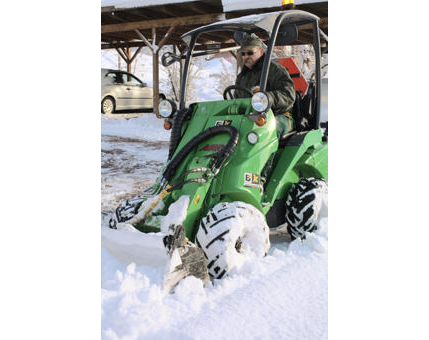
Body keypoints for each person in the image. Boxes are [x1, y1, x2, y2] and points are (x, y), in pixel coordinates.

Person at [235, 36, 296, 140]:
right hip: (251, 118)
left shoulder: (274, 70)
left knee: (264, 132)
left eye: (250, 53)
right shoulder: (242, 77)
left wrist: (267, 98)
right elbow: (237, 100)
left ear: (261, 51)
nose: (246, 57)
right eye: (243, 54)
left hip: (280, 116)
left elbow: (288, 95)